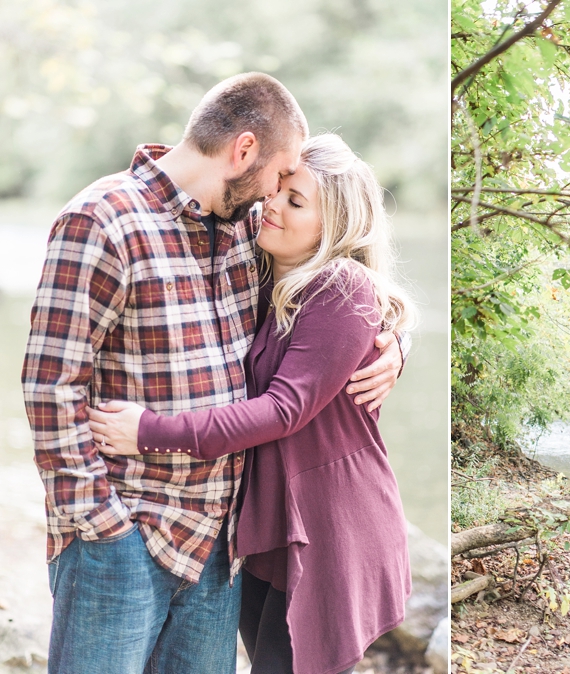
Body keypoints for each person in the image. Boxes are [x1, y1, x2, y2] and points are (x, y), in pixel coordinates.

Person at [21, 74, 404, 674]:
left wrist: (394, 345)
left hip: (218, 544)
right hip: (125, 536)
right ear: (244, 152)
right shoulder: (103, 221)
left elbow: (345, 274)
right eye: (280, 178)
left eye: (289, 191)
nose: (275, 196)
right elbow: (51, 387)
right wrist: (100, 526)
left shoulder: (243, 229)